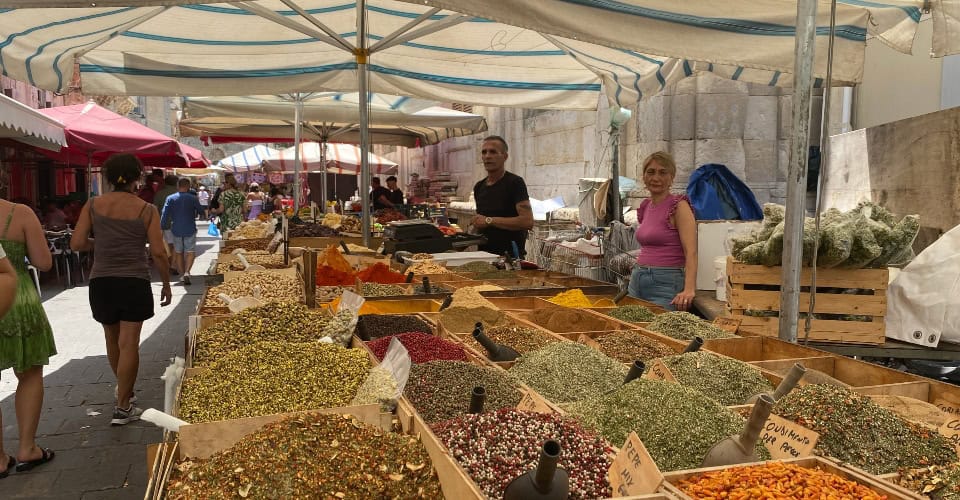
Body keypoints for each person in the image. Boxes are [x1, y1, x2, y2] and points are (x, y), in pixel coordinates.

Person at [70, 153, 172, 425]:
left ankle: (124, 394)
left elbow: (77, 243)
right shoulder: (145, 209)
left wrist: (101, 244)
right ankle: (123, 404)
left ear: (108, 178)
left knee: (112, 340)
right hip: (133, 281)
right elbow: (160, 252)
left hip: (101, 281)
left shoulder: (92, 205)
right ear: (138, 177)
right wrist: (165, 283)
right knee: (129, 344)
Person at [0, 197, 56, 474]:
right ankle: (27, 448)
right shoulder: (19, 213)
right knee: (30, 374)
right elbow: (44, 262)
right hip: (17, 298)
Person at [627, 151, 698, 311]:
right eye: (650, 172)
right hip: (638, 279)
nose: (656, 178)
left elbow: (691, 252)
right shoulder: (645, 206)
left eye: (662, 172)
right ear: (644, 177)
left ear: (671, 177)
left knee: (656, 333)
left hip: (666, 283)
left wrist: (689, 289)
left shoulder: (679, 206)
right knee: (631, 330)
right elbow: (650, 243)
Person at [471, 136, 534, 259]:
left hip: (510, 259)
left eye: (493, 152)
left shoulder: (515, 183)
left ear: (505, 157)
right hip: (485, 258)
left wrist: (489, 220)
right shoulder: (479, 187)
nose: (487, 156)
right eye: (484, 152)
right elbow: (482, 224)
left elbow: (527, 221)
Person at [161, 178, 204, 286]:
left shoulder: (170, 198)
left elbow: (164, 214)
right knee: (190, 251)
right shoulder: (193, 198)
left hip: (176, 229)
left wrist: (161, 227)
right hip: (190, 228)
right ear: (188, 186)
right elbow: (201, 211)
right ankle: (187, 272)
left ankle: (181, 274)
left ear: (177, 186)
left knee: (179, 252)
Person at [153, 174, 179, 274]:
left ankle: (169, 263)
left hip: (163, 223)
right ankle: (173, 265)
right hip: (178, 223)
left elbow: (154, 208)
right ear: (176, 183)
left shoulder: (159, 194)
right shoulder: (179, 193)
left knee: (167, 245)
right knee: (177, 245)